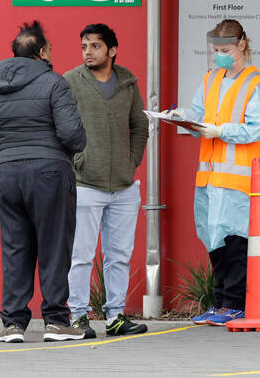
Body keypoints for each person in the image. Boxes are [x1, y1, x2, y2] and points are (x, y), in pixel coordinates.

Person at [0, 21, 87, 343]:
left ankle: (13, 324)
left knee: (15, 247)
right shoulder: (54, 82)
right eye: (50, 49)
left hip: (7, 174)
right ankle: (56, 321)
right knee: (54, 246)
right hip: (50, 173)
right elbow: (72, 135)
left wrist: (11, 146)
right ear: (41, 52)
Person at [166, 19, 260, 326]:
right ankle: (220, 303)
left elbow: (256, 129)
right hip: (211, 177)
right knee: (215, 241)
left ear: (242, 44)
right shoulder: (211, 79)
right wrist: (181, 117)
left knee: (236, 244)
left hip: (240, 179)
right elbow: (199, 115)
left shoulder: (257, 84)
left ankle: (235, 303)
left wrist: (219, 130)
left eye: (225, 49)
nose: (219, 55)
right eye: (215, 50)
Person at [65, 23, 149, 337]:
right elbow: (62, 125)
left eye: (95, 46)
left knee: (119, 256)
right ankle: (78, 316)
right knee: (81, 256)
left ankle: (115, 316)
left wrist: (132, 160)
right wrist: (78, 161)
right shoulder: (71, 81)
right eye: (84, 46)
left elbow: (140, 125)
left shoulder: (127, 83)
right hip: (86, 183)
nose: (88, 52)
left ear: (111, 50)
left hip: (125, 187)